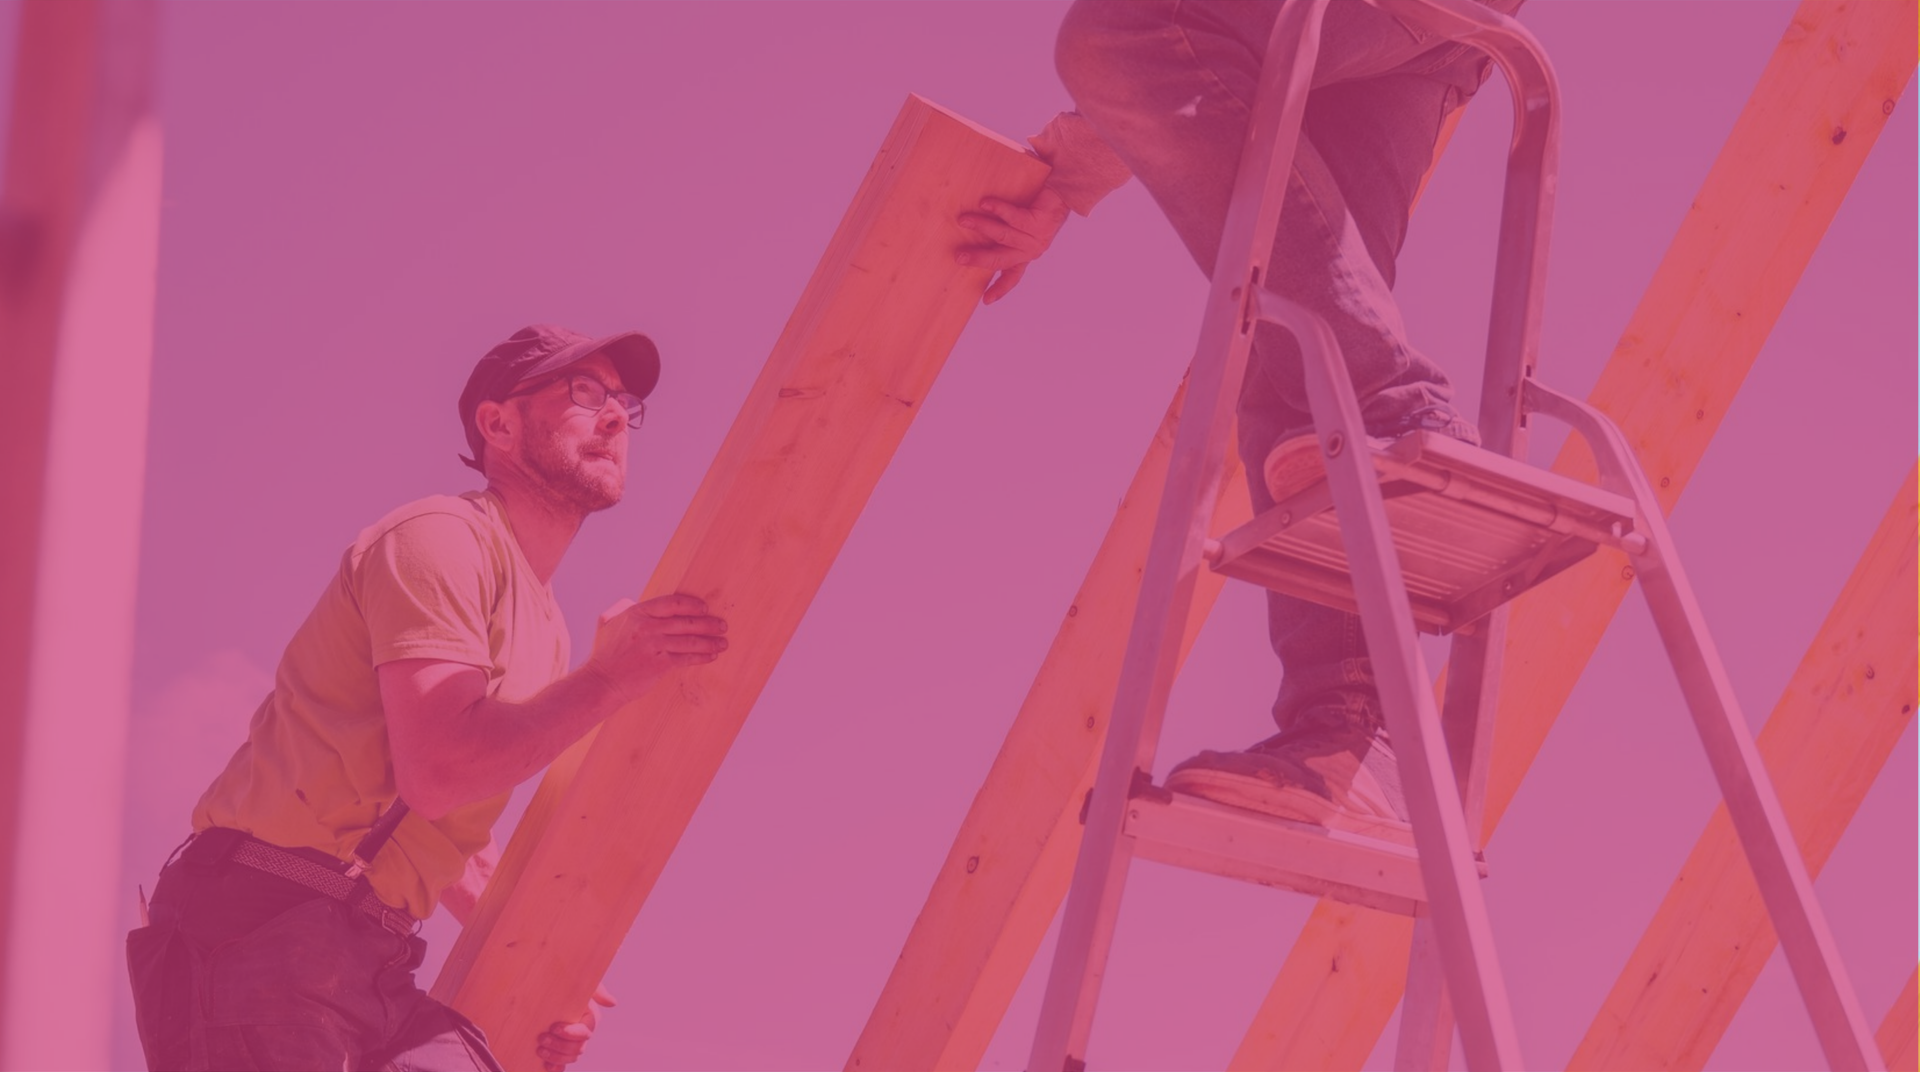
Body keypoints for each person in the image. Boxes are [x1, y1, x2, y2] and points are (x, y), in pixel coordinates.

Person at [957, 0, 1513, 840]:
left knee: (1115, 31)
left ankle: (1401, 408)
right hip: (1417, 40)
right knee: (1292, 343)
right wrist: (1066, 182)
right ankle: (1354, 741)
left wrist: (1071, 170)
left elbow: (1155, 30)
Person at [126, 324, 732, 1071]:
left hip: (366, 953)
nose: (613, 416)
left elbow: (452, 840)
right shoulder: (440, 539)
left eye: (622, 402)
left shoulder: (545, 627)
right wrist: (611, 680)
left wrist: (544, 979)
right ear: (497, 423)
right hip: (260, 919)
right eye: (583, 392)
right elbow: (441, 771)